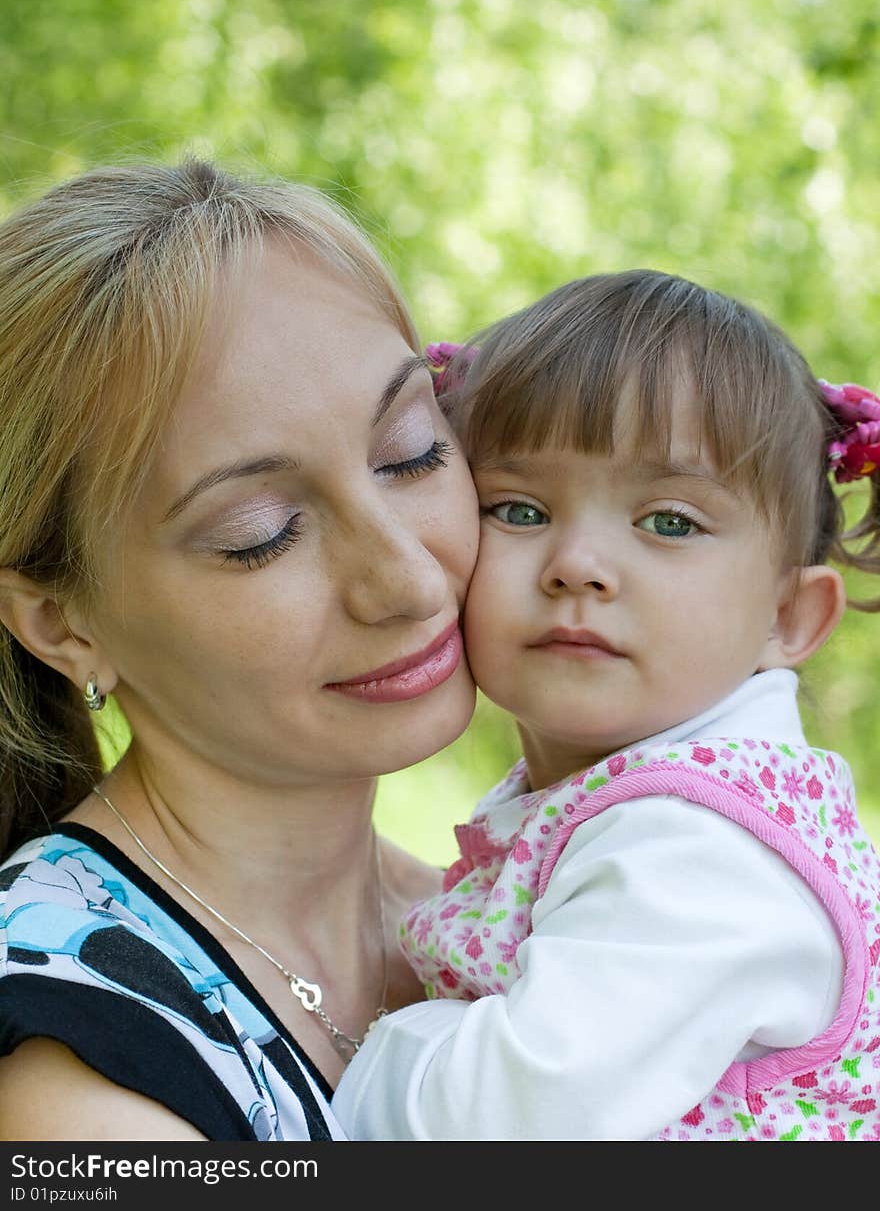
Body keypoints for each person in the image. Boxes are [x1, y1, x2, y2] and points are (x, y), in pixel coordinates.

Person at [332, 270, 880, 1142]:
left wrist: (378, 1047)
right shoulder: (623, 798)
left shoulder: (701, 852)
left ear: (787, 617)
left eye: (669, 523)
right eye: (517, 508)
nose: (578, 563)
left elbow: (486, 1128)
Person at [0, 158, 480, 1141]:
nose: (413, 581)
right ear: (61, 621)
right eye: (258, 531)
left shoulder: (486, 915)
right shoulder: (73, 1080)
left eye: (411, 451)